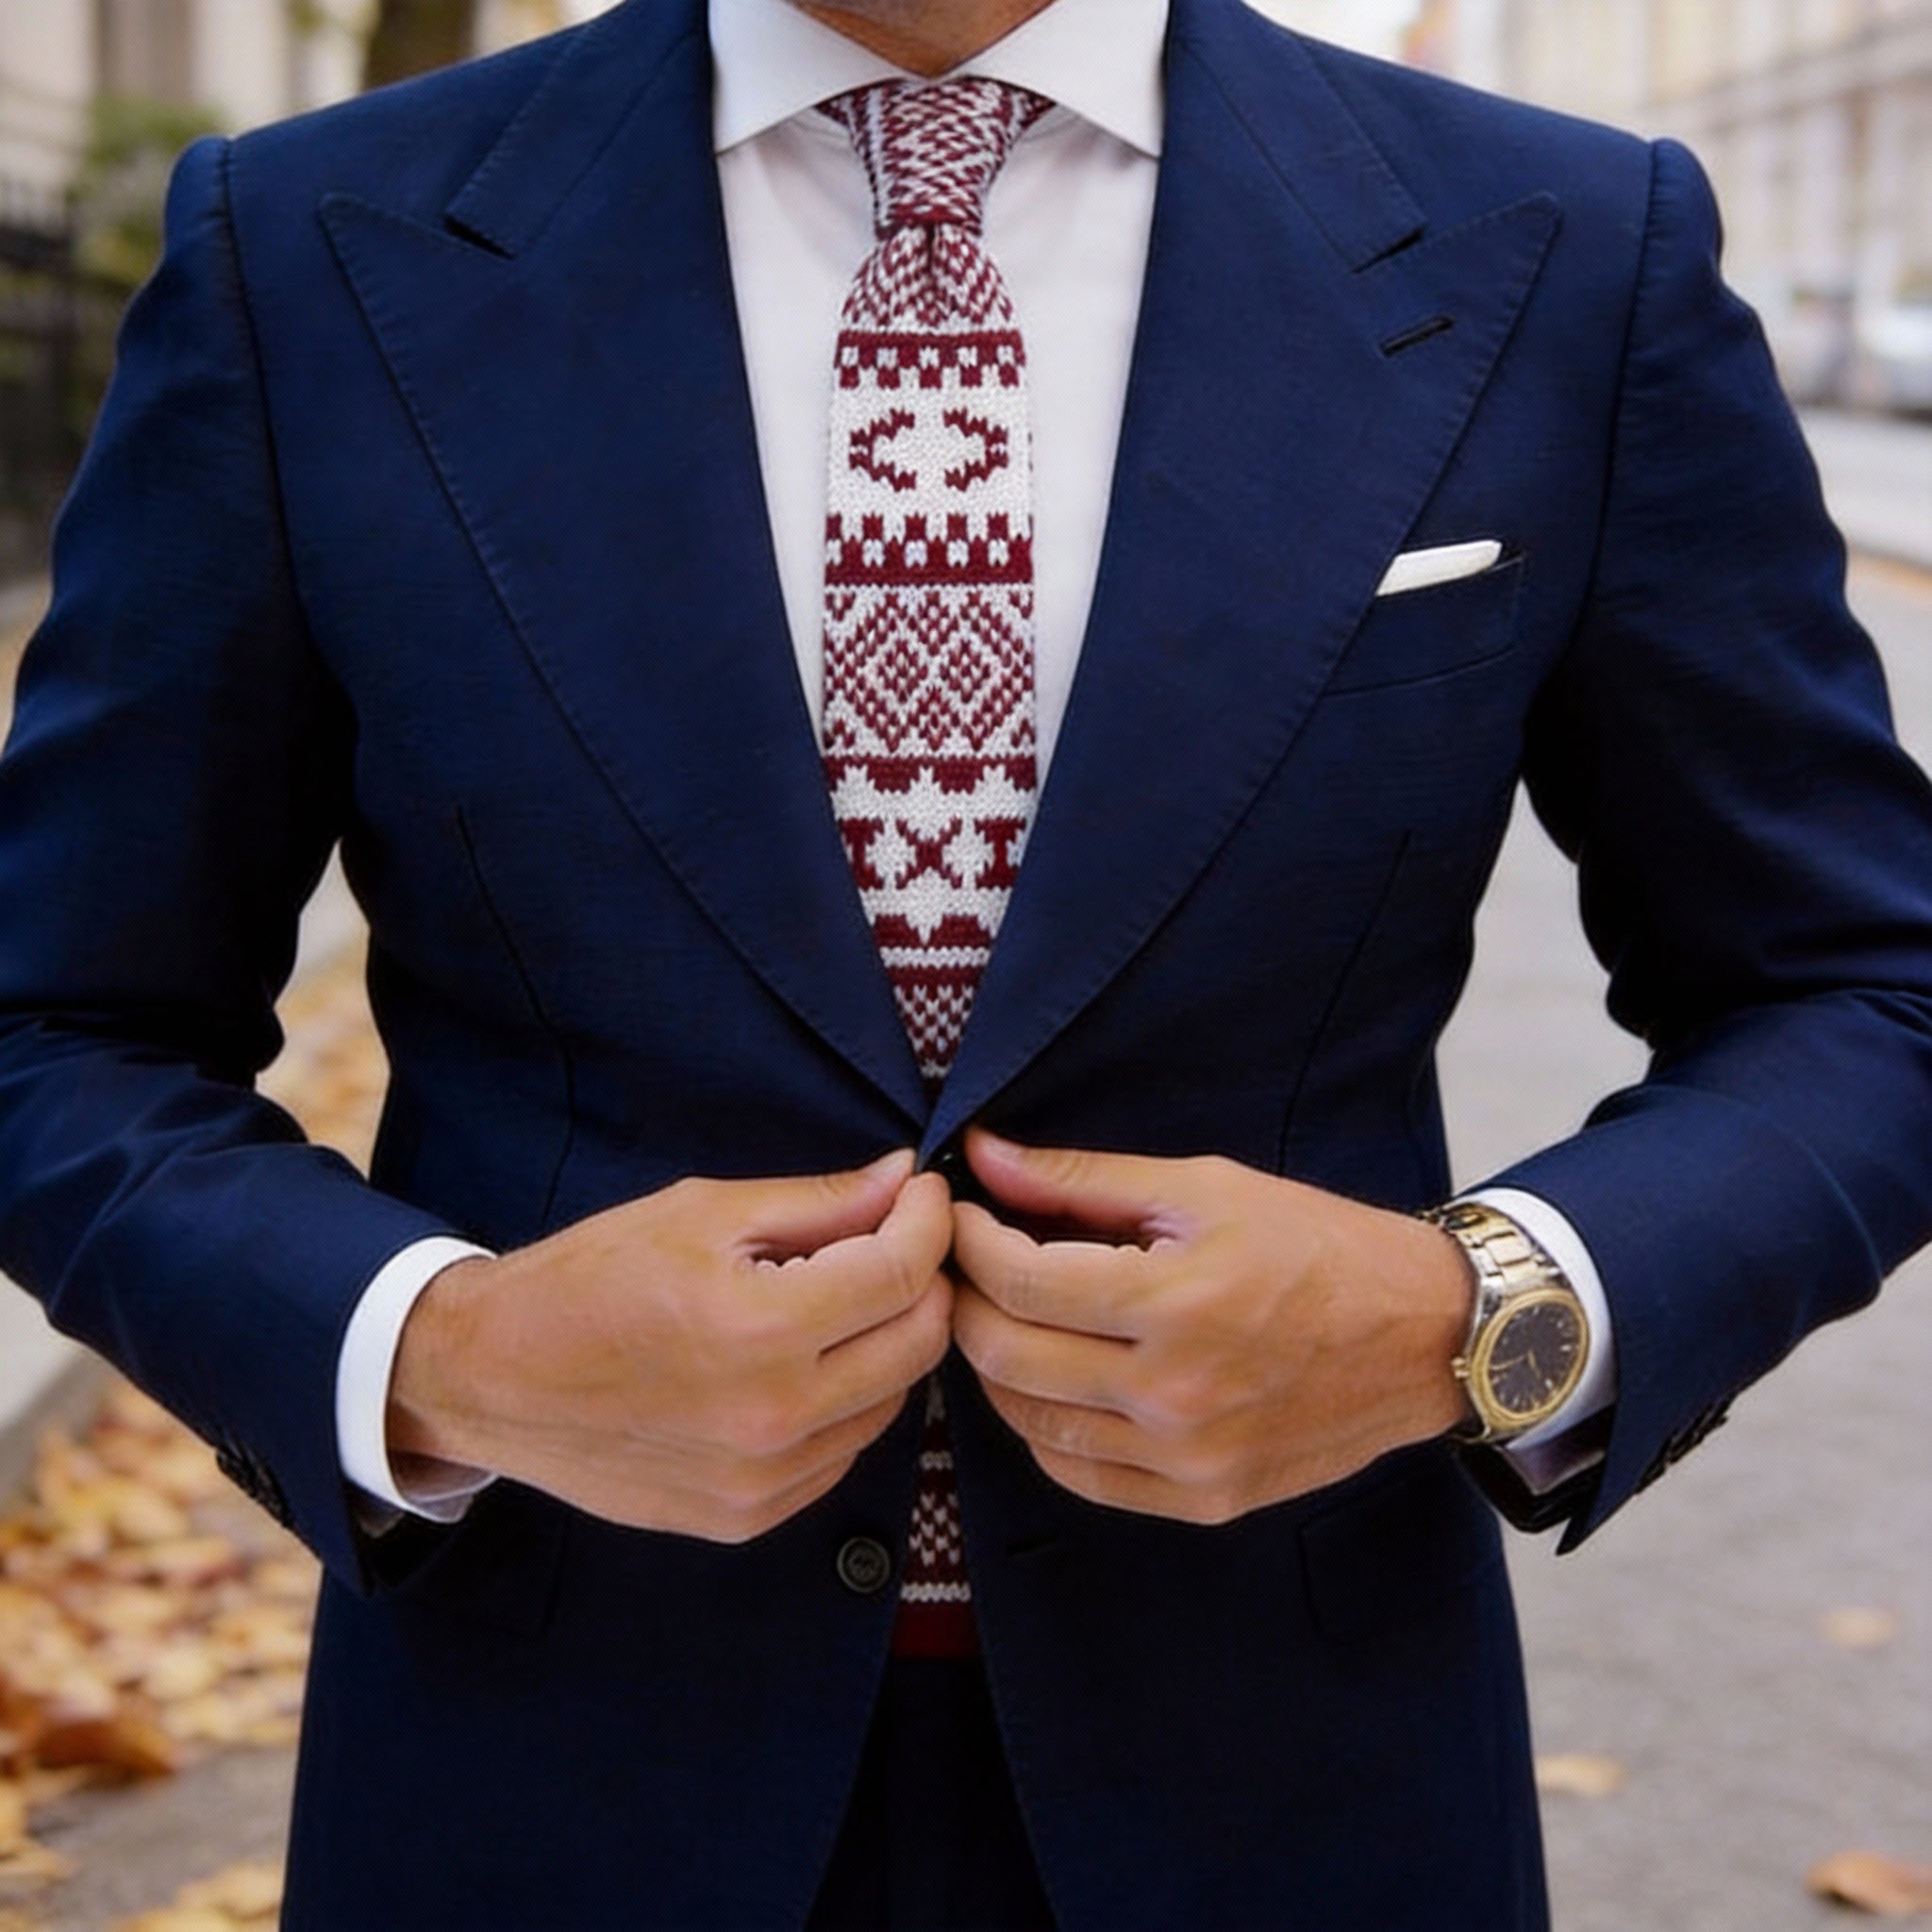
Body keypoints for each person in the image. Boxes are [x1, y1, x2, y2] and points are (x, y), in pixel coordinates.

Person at [2, 0, 1930, 1924]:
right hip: (546, 1769)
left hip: (1293, 1774)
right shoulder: (311, 244)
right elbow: (58, 1020)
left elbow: (1862, 986)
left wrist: (1475, 1314)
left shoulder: (1564, 246)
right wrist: (446, 1352)